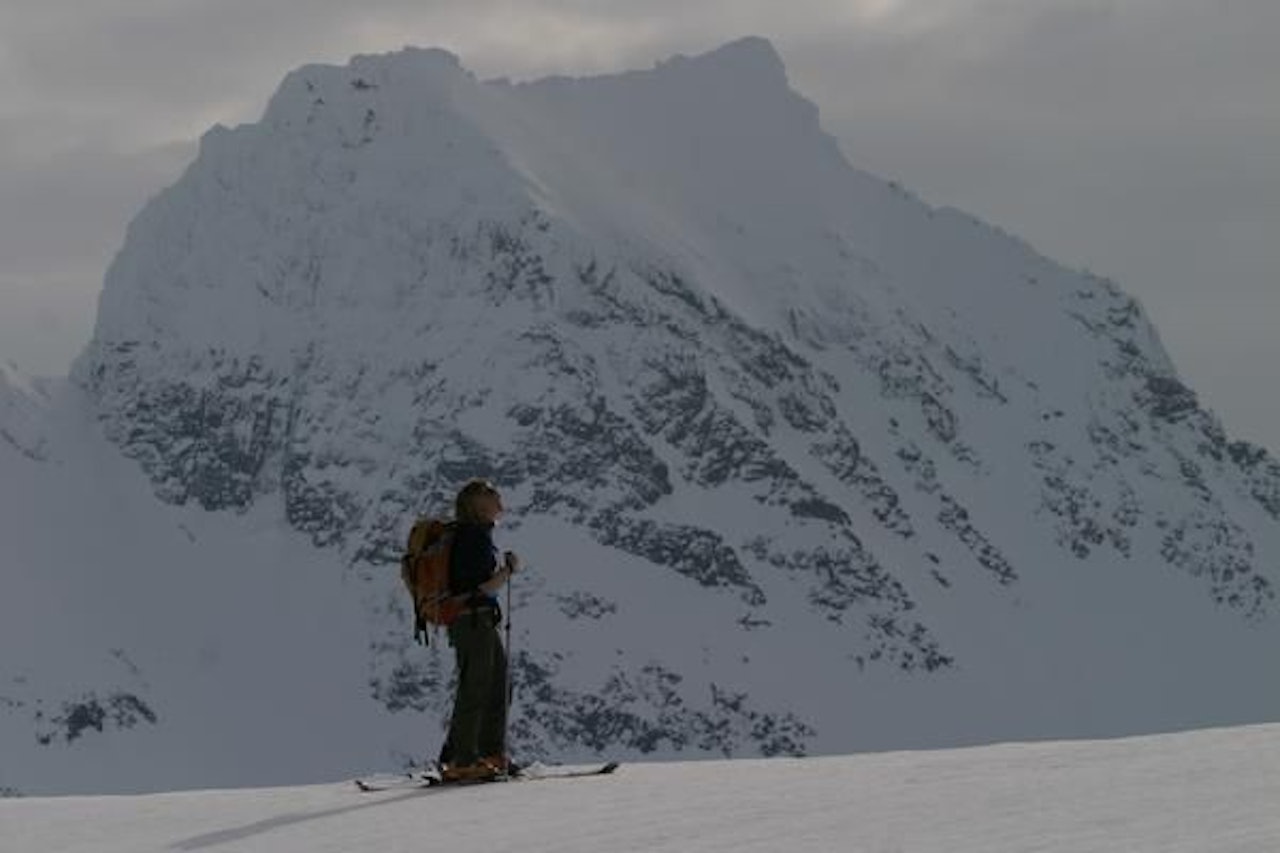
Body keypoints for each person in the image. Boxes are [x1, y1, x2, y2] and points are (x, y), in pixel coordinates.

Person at [438, 478, 520, 782]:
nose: (499, 499)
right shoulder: (473, 537)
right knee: (480, 685)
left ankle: (486, 753)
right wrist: (507, 572)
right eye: (491, 494)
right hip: (473, 619)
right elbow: (481, 588)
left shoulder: (471, 535)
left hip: (473, 620)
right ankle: (465, 758)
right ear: (478, 505)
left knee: (494, 682)